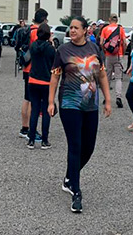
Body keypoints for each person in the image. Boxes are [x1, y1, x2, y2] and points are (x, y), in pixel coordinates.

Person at [48, 17, 112, 213]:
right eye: (71, 28)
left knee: (89, 147)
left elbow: (101, 75)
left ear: (85, 30)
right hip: (69, 104)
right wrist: (51, 101)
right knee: (75, 145)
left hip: (91, 105)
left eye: (76, 28)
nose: (72, 30)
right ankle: (76, 192)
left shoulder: (94, 49)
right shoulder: (63, 51)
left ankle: (69, 177)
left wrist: (108, 100)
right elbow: (55, 76)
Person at [25, 24, 57, 149]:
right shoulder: (50, 49)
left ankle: (31, 139)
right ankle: (45, 140)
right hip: (46, 82)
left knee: (34, 110)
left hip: (33, 80)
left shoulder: (33, 46)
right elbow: (54, 63)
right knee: (46, 111)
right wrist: (52, 44)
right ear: (49, 34)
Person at [99, 19, 126, 109]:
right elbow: (125, 42)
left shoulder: (105, 29)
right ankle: (118, 97)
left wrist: (105, 51)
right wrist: (123, 52)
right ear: (117, 20)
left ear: (109, 20)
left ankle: (106, 97)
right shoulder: (120, 29)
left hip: (108, 55)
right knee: (118, 78)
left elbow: (101, 43)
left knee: (107, 77)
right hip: (118, 55)